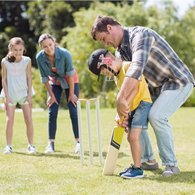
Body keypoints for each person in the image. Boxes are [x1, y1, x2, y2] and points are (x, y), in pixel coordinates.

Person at [91, 16, 195, 177]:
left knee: (156, 116)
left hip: (177, 81)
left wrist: (121, 99)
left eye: (104, 39)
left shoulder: (140, 35)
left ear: (110, 28)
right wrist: (126, 112)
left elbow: (137, 68)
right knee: (134, 121)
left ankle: (171, 165)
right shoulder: (121, 51)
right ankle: (148, 161)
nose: (106, 44)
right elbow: (135, 83)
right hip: (153, 89)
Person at [88, 49, 158, 178]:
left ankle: (138, 169)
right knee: (129, 137)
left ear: (107, 61)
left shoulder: (128, 66)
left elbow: (136, 87)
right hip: (133, 106)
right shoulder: (117, 78)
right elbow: (123, 98)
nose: (104, 74)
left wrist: (125, 109)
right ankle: (139, 164)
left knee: (133, 137)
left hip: (142, 103)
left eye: (103, 70)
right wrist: (120, 114)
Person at [36, 33, 80, 154]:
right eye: (45, 46)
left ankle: (79, 142)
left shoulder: (65, 54)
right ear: (42, 48)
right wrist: (51, 95)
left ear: (54, 43)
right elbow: (44, 78)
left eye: (50, 45)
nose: (48, 48)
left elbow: (70, 75)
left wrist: (71, 94)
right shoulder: (40, 58)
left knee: (73, 110)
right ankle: (51, 144)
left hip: (70, 81)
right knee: (52, 111)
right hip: (54, 82)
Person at [1, 37, 36, 154]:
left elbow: (29, 77)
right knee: (9, 120)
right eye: (15, 49)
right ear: (11, 49)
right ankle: (9, 146)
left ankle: (31, 145)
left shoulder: (27, 60)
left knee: (28, 120)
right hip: (10, 94)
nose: (18, 52)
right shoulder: (4, 62)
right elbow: (4, 79)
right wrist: (6, 96)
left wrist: (29, 94)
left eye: (20, 49)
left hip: (24, 94)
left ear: (23, 49)